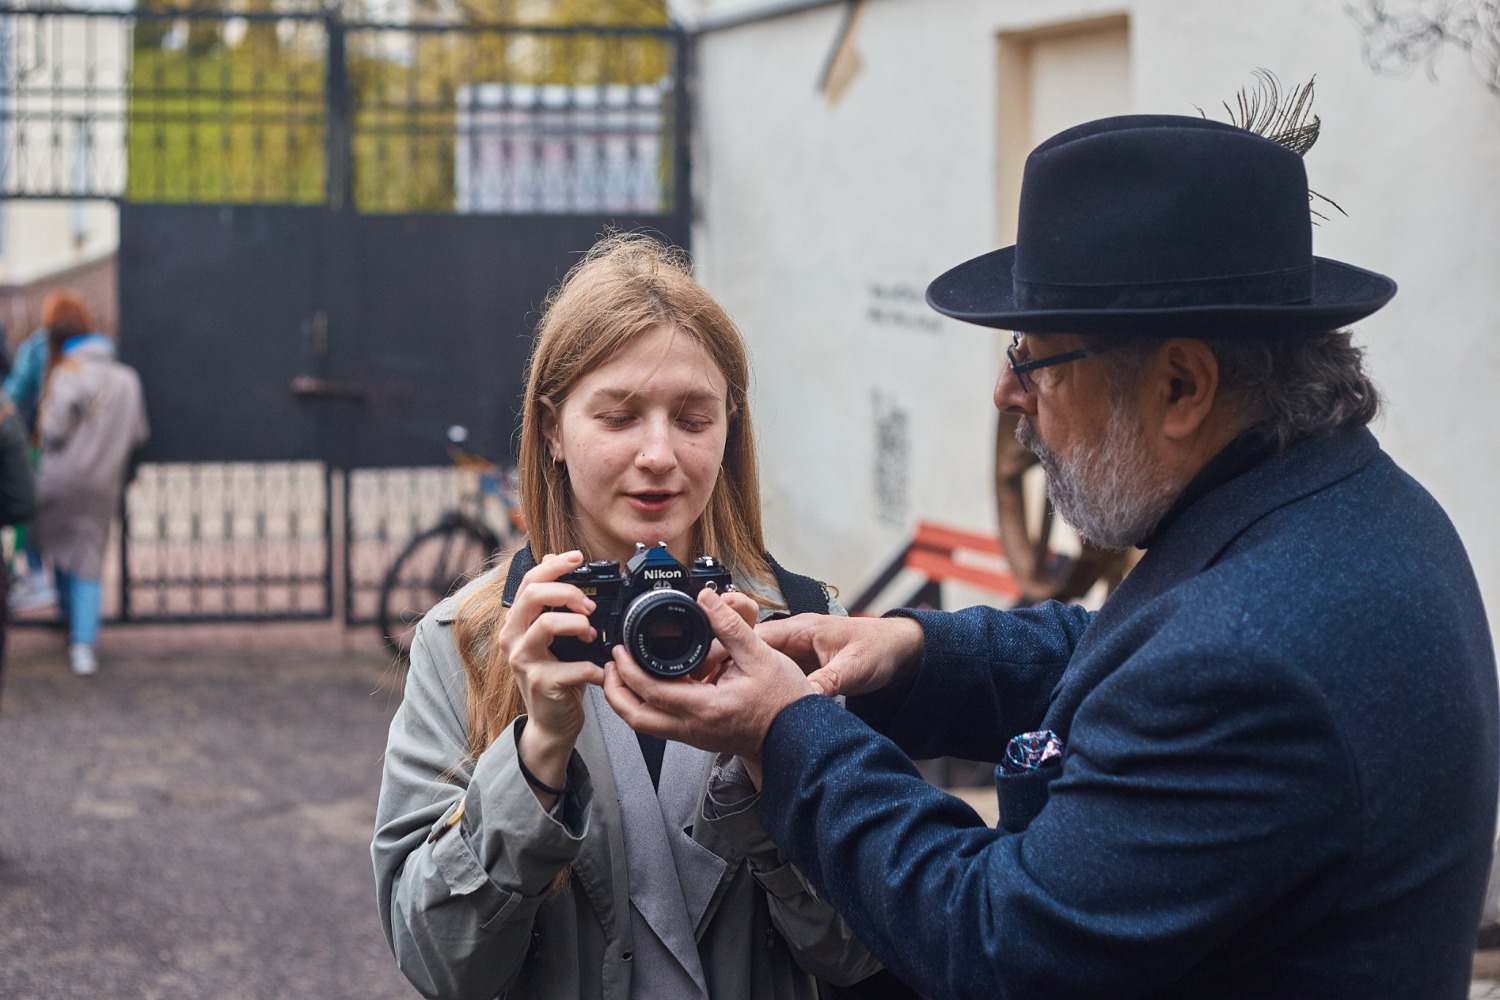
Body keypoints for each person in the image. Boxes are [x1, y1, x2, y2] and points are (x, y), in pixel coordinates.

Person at [602, 115, 1499, 998]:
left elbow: (997, 943)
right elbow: (1131, 652)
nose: (1005, 392)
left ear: (1181, 385)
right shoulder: (1333, 509)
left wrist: (786, 732)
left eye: (1035, 360)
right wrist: (912, 656)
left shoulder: (1256, 657)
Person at [371, 234, 885, 1000]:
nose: (658, 454)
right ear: (552, 429)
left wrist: (769, 753)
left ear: (729, 426)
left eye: (692, 418)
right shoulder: (470, 645)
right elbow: (439, 961)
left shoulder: (805, 630)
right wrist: (538, 751)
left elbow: (862, 951)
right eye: (617, 416)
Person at [31, 291, 149, 676]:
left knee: (57, 547)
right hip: (103, 483)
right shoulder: (127, 379)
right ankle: (84, 646)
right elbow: (138, 432)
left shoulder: (69, 373)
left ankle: (62, 613)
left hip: (61, 480)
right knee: (89, 558)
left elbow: (52, 431)